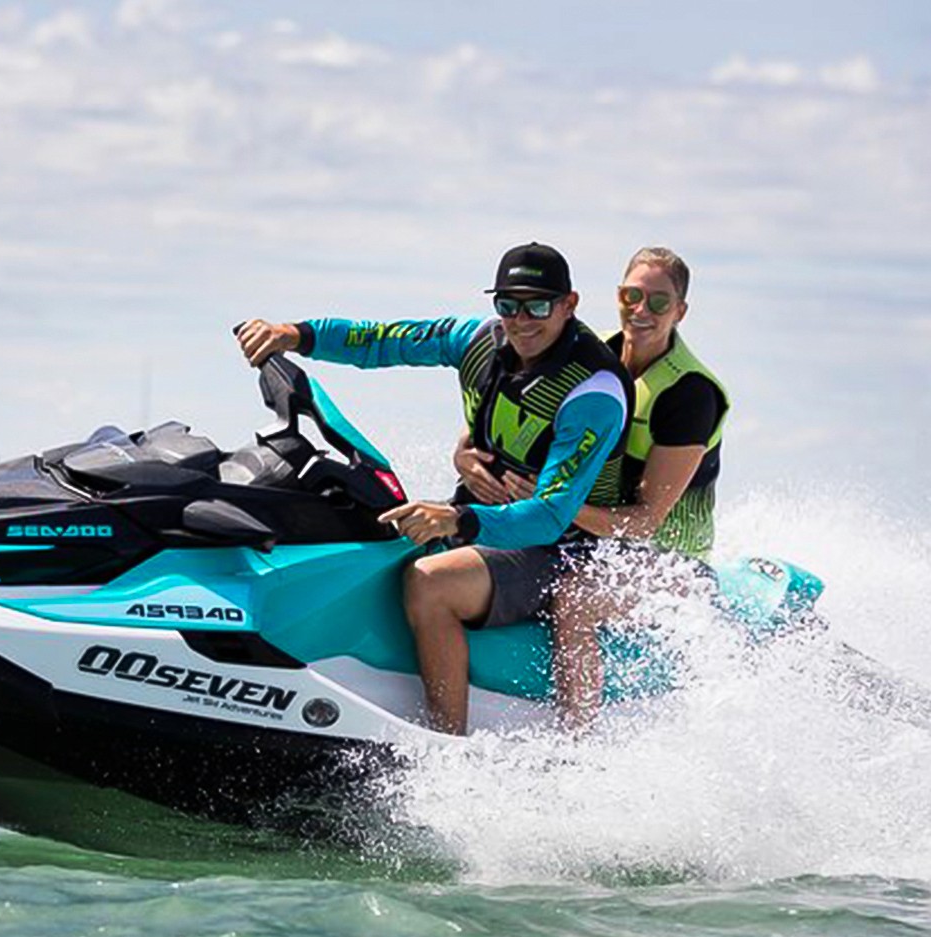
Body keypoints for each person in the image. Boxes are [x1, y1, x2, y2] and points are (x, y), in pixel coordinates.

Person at [235, 242, 633, 734]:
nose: (521, 320)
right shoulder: (477, 340)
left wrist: (457, 520)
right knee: (364, 531)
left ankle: (445, 744)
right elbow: (383, 340)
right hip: (485, 519)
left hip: (563, 549)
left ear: (569, 304)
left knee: (431, 581)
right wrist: (296, 335)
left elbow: (551, 517)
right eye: (508, 304)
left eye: (538, 306)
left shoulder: (593, 391)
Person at [455, 246, 729, 730]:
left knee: (574, 599)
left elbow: (645, 522)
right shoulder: (586, 356)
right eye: (631, 296)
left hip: (670, 560)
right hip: (588, 539)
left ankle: (577, 741)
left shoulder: (690, 394)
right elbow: (494, 418)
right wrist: (463, 457)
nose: (641, 310)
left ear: (680, 311)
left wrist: (552, 503)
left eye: (659, 302)